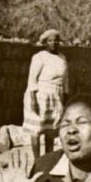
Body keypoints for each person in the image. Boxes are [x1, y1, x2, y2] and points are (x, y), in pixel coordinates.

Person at [22, 29, 69, 159]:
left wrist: (65, 96)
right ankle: (37, 161)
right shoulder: (39, 57)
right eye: (50, 40)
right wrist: (33, 99)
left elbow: (65, 80)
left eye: (56, 40)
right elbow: (32, 79)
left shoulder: (62, 58)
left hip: (56, 96)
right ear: (45, 43)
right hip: (40, 95)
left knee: (51, 130)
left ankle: (48, 160)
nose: (54, 43)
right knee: (36, 129)